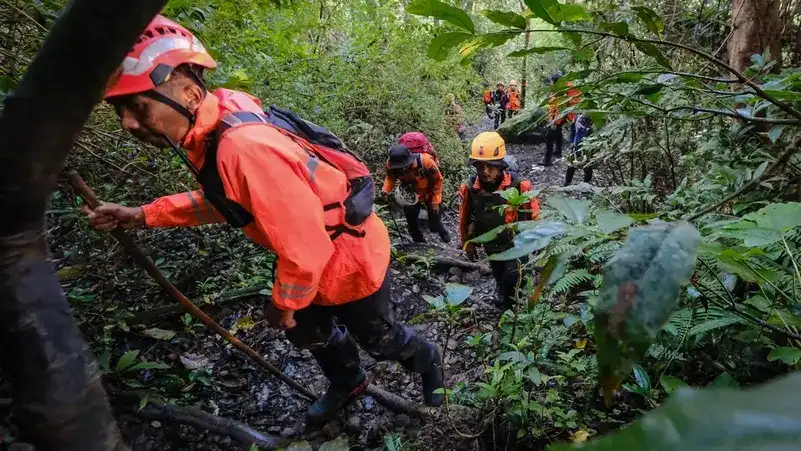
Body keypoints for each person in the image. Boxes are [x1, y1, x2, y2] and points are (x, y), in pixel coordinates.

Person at [81, 15, 444, 426]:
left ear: (187, 93)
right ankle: (349, 380)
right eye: (120, 110)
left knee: (379, 338)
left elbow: (307, 248)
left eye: (137, 106)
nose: (128, 122)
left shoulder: (243, 147)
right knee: (308, 330)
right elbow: (228, 202)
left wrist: (282, 304)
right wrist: (143, 215)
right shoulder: (215, 127)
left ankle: (428, 358)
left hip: (348, 259)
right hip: (310, 261)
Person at [458, 132, 541, 310]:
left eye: (491, 166)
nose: (485, 171)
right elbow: (464, 217)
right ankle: (501, 288)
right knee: (497, 269)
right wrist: (467, 243)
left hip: (517, 242)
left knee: (512, 276)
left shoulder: (520, 185)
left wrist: (540, 238)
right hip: (491, 241)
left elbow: (534, 213)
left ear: (501, 165)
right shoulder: (470, 188)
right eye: (480, 166)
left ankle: (509, 309)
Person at [382, 145, 450, 243]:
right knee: (412, 223)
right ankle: (419, 244)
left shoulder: (426, 161)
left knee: (434, 221)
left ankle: (443, 233)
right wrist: (386, 190)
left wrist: (435, 202)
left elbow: (438, 180)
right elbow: (390, 178)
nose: (401, 169)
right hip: (410, 195)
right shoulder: (391, 165)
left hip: (429, 193)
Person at [544, 73, 582, 166]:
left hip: (558, 117)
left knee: (549, 137)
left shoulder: (562, 91)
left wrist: (553, 121)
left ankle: (547, 161)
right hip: (568, 116)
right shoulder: (567, 87)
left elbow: (558, 106)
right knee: (558, 133)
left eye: (552, 82)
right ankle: (558, 151)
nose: (551, 83)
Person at [565, 113, 594, 185]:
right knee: (571, 163)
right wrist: (571, 141)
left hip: (588, 144)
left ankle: (587, 182)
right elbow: (572, 130)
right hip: (576, 143)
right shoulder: (577, 118)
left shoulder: (593, 119)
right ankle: (567, 182)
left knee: (587, 164)